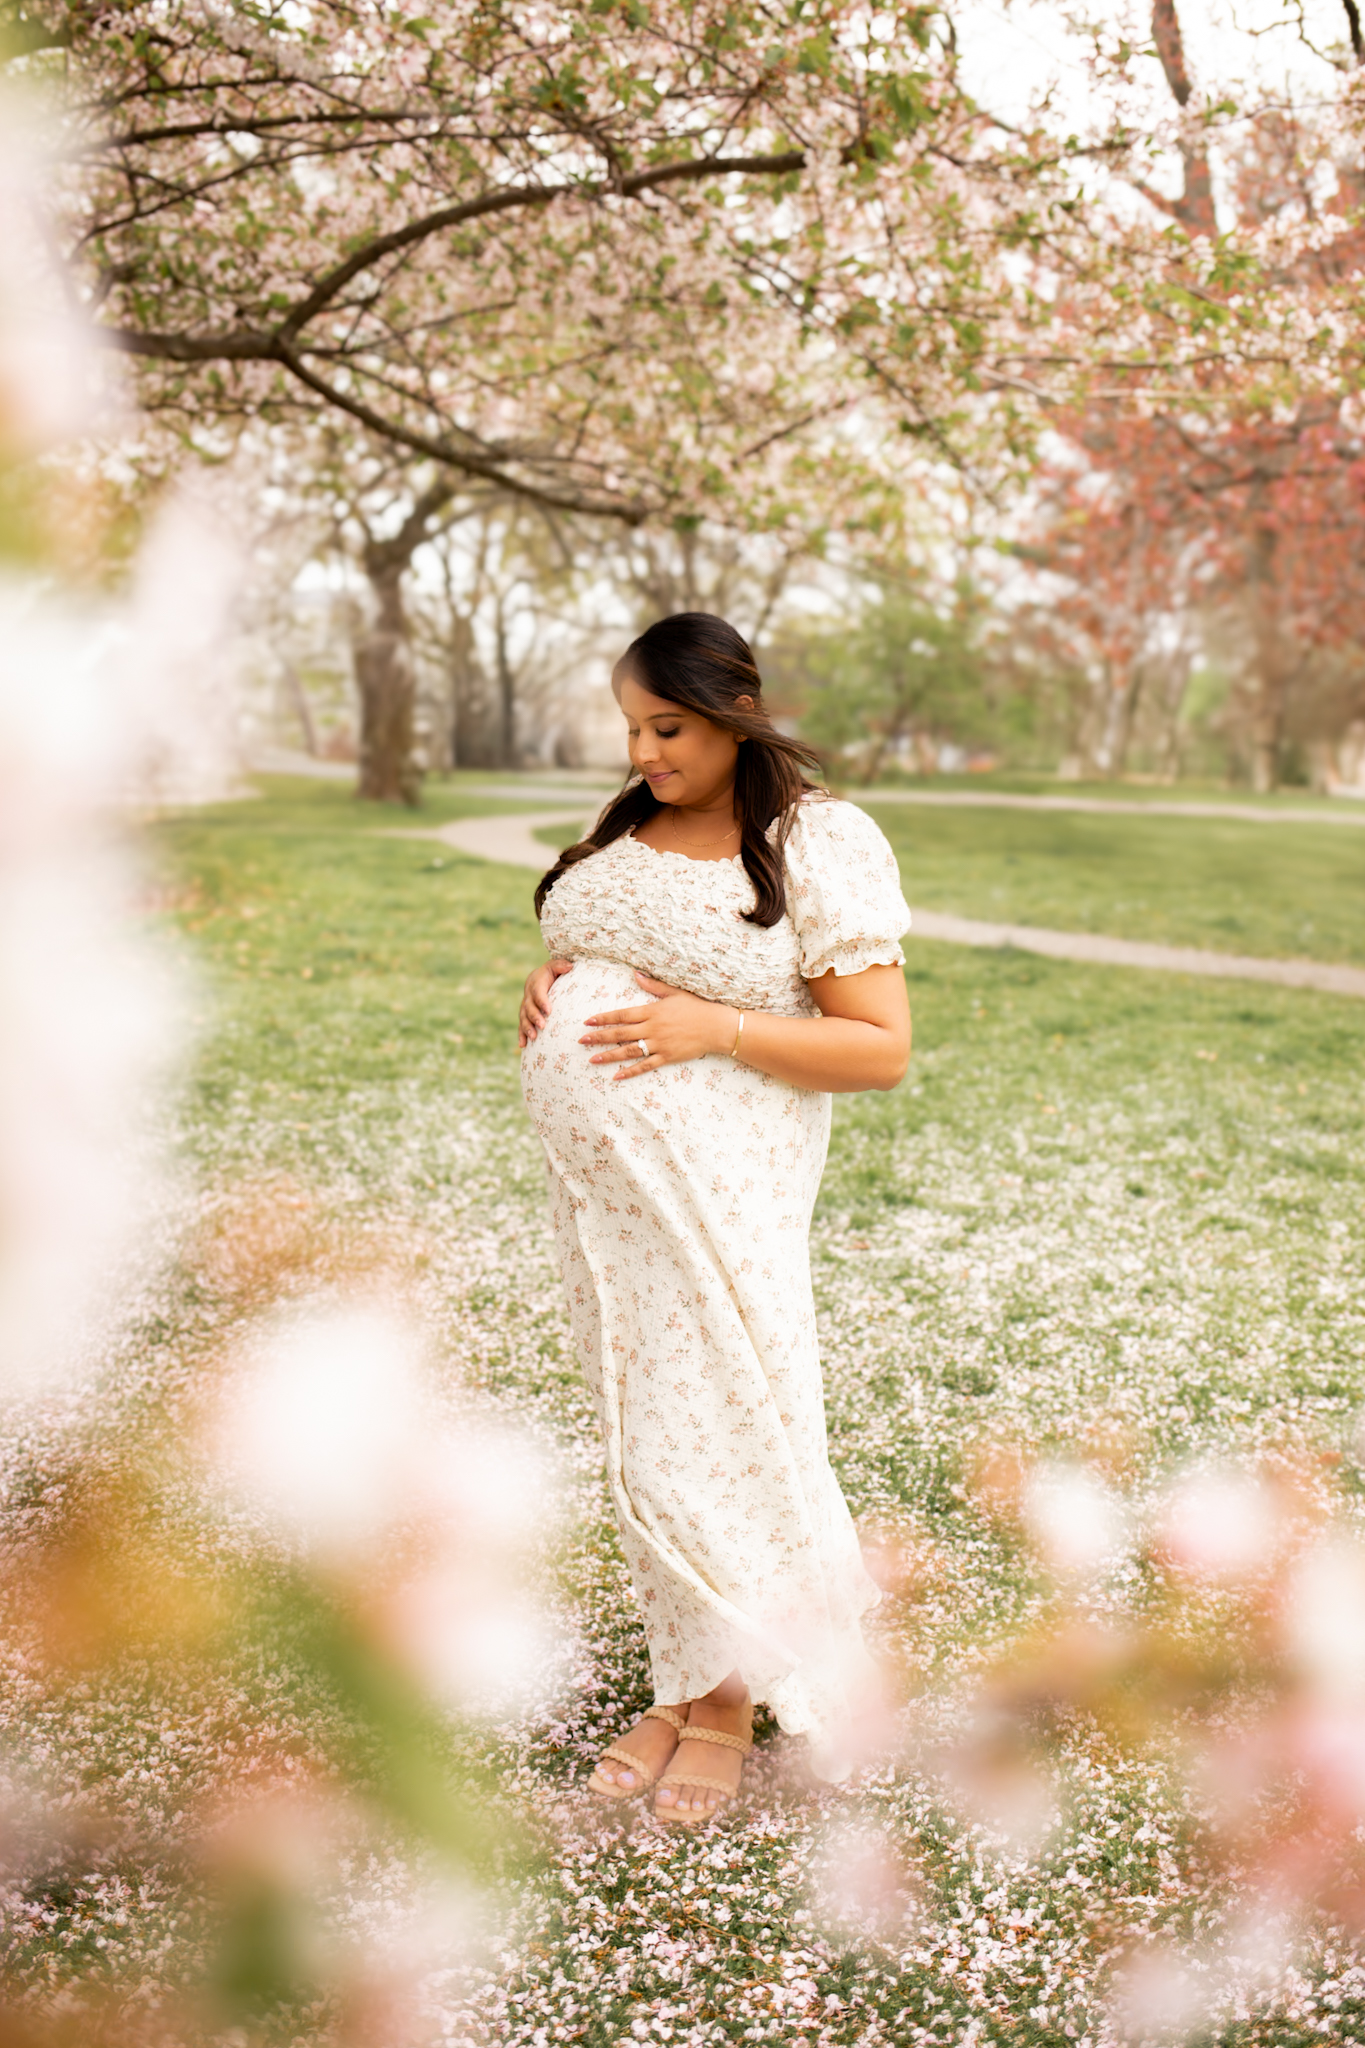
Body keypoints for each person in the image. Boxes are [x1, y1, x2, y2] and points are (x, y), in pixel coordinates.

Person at [519, 612, 912, 1825]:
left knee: (728, 1429)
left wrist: (715, 1026)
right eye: (632, 726)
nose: (643, 749)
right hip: (611, 1213)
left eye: (668, 725)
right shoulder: (634, 826)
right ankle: (682, 1678)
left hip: (725, 1205)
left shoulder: (814, 844)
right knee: (649, 1434)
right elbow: (598, 950)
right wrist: (545, 978)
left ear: (733, 712)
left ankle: (733, 1698)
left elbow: (880, 1047)